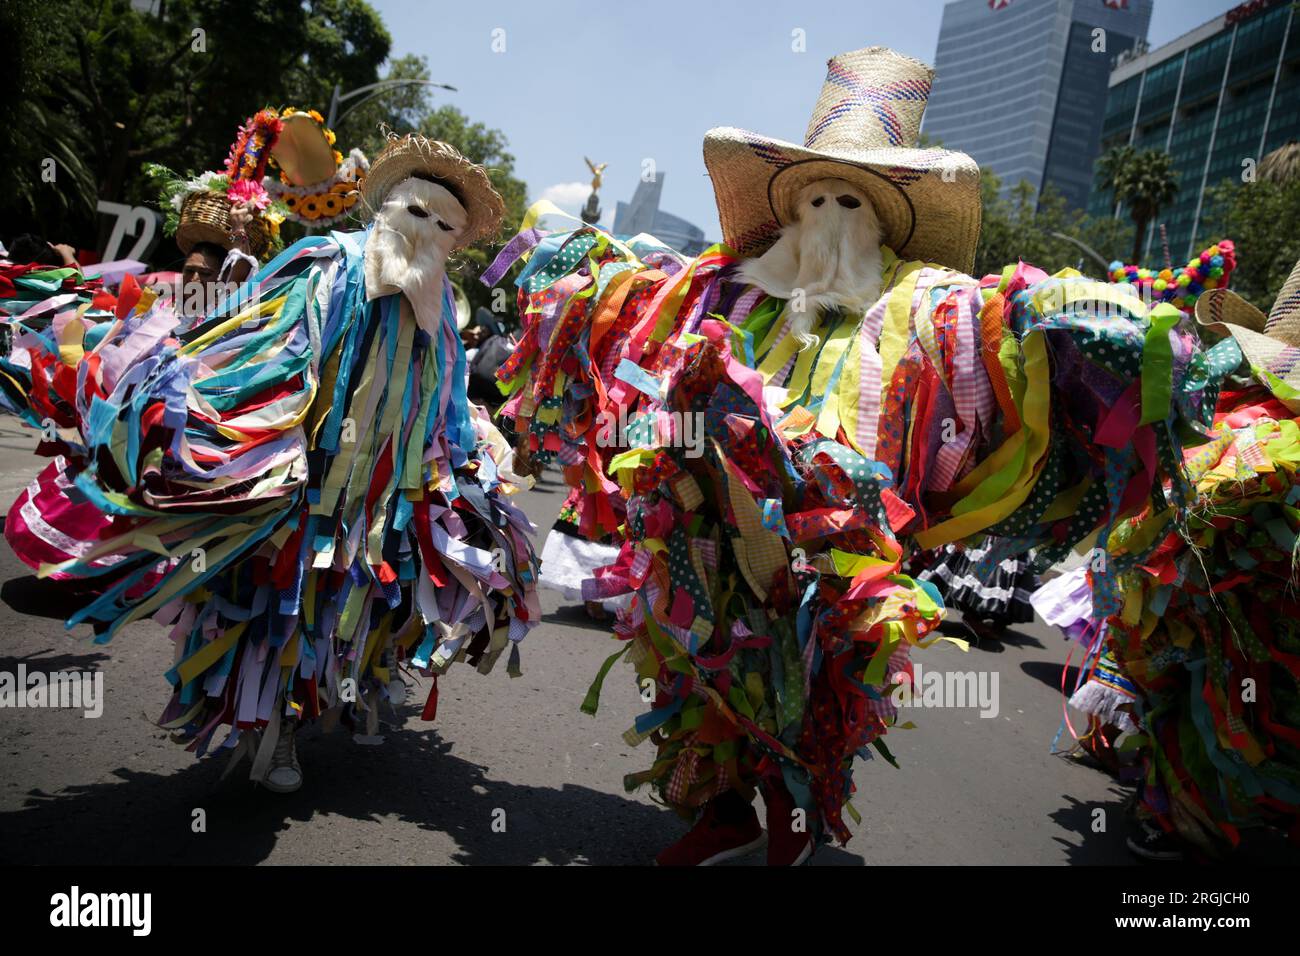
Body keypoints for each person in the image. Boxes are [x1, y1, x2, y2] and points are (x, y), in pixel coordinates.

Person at [491, 46, 1227, 865]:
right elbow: (646, 321)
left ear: (879, 220)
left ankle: (795, 819)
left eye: (852, 200)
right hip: (709, 512)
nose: (831, 214)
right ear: (791, 211)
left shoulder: (924, 297)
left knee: (814, 675)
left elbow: (1002, 322)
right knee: (700, 654)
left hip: (845, 534)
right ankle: (726, 809)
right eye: (816, 197)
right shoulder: (734, 283)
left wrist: (1067, 308)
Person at [4, 132, 540, 795]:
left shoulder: (440, 316)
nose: (425, 230)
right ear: (387, 211)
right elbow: (258, 341)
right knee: (276, 607)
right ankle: (272, 726)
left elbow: (446, 403)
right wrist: (237, 428)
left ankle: (344, 693)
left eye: (443, 224)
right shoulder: (326, 264)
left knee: (358, 608)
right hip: (293, 477)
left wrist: (461, 461)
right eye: (415, 211)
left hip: (380, 500)